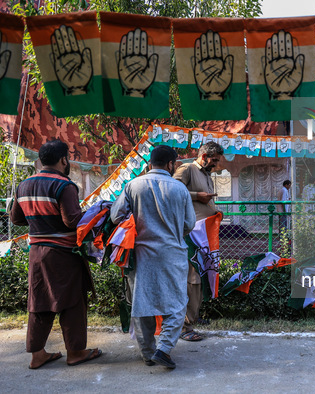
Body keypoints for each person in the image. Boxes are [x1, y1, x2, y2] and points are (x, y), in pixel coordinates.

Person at [10, 140, 102, 369]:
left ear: (41, 160)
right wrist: (93, 213)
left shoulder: (24, 185)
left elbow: (16, 219)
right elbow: (72, 220)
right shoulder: (64, 185)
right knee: (72, 302)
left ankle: (37, 354)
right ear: (64, 160)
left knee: (39, 302)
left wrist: (39, 220)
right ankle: (76, 352)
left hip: (37, 254)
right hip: (63, 254)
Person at [111, 145, 195, 369]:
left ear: (150, 163)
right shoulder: (179, 189)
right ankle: (164, 348)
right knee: (177, 304)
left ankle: (148, 353)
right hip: (172, 255)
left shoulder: (132, 185)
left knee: (142, 303)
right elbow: (189, 224)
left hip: (140, 254)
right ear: (170, 164)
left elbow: (116, 215)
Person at [173, 141, 223, 341]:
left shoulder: (205, 173)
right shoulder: (187, 169)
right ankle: (185, 327)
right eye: (214, 160)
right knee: (192, 279)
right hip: (191, 235)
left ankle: (194, 316)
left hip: (204, 235)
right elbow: (171, 191)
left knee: (200, 276)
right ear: (204, 156)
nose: (216, 164)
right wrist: (197, 196)